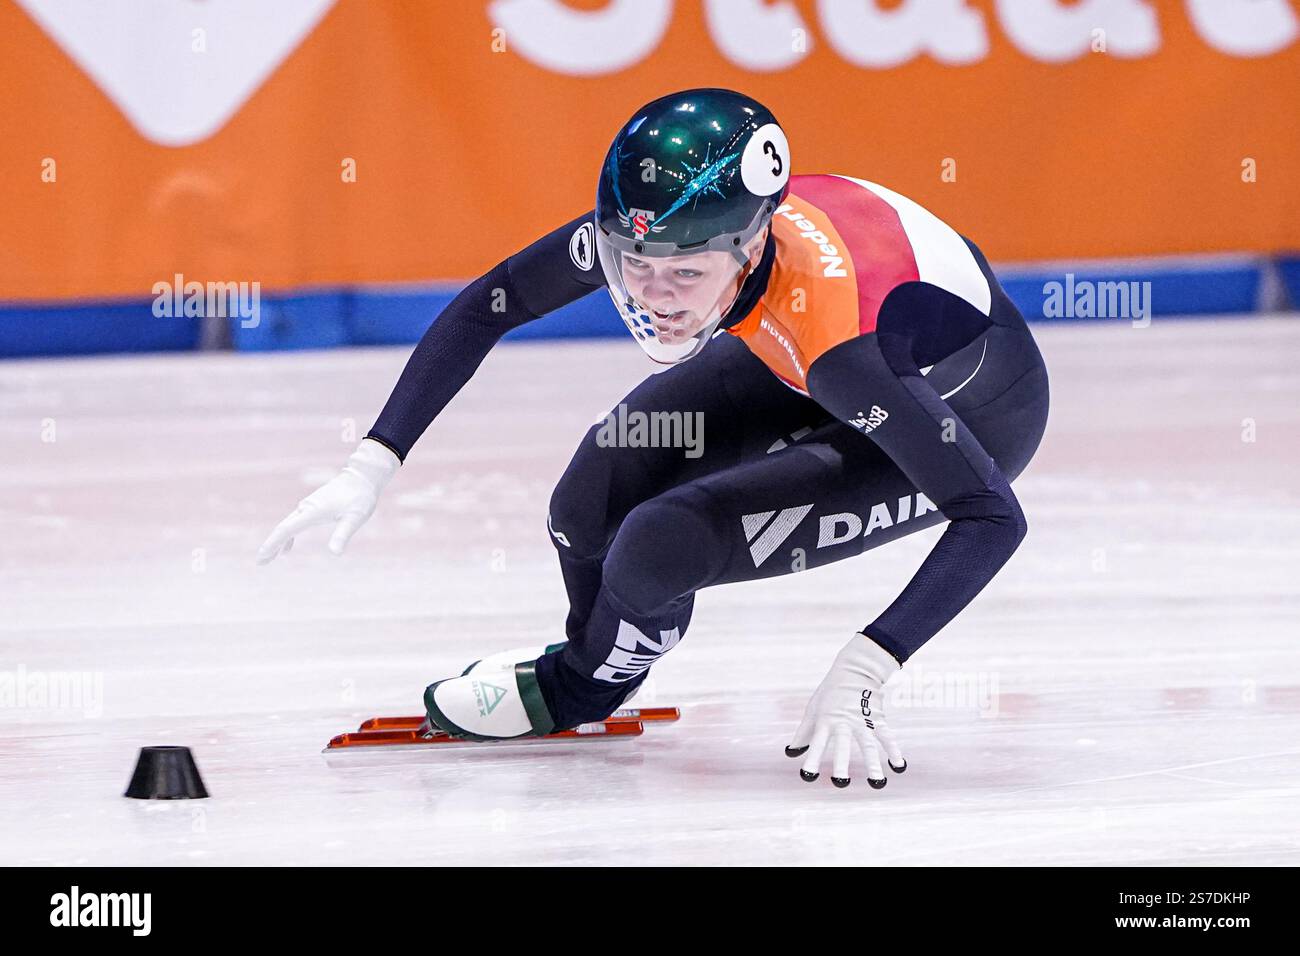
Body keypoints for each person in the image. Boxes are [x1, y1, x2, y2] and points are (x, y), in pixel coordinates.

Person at [258, 88, 1049, 790]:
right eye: (635, 265)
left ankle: (579, 687)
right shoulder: (669, 224)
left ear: (751, 247)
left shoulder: (843, 348)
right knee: (591, 496)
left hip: (966, 409)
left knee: (658, 543)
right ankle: (605, 661)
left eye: (685, 275)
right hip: (799, 353)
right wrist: (371, 463)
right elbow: (488, 306)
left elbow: (991, 516)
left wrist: (866, 669)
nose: (655, 297)